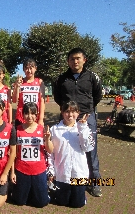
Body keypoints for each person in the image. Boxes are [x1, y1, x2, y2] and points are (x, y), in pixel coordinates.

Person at [53, 47, 103, 197]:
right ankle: (64, 179)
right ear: (68, 61)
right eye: (72, 59)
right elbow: (57, 97)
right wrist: (67, 111)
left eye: (78, 58)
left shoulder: (92, 77)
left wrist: (87, 109)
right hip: (67, 117)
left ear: (84, 60)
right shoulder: (61, 79)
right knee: (66, 148)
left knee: (90, 150)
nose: (75, 61)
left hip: (87, 117)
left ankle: (95, 183)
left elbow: (97, 95)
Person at [47, 101, 95, 208]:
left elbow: (88, 148)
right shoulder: (54, 129)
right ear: (62, 112)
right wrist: (51, 171)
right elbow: (50, 153)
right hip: (62, 173)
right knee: (61, 202)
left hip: (79, 173)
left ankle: (81, 196)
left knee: (77, 204)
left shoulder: (84, 128)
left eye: (73, 112)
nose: (70, 115)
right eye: (67, 111)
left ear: (78, 113)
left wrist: (82, 128)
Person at [11, 102, 53, 208]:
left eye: (33, 113)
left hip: (38, 170)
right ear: (22, 114)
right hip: (22, 169)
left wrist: (47, 139)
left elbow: (50, 150)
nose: (30, 116)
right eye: (27, 113)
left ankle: (39, 191)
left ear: (37, 114)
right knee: (19, 201)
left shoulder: (42, 129)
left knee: (42, 203)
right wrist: (12, 172)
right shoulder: (17, 130)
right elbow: (13, 153)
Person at [12, 58, 45, 128]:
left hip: (34, 116)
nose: (29, 71)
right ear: (23, 69)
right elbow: (14, 100)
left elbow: (42, 101)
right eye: (26, 68)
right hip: (21, 117)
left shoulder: (39, 82)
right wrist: (17, 86)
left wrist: (41, 118)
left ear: (35, 68)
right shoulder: (20, 82)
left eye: (31, 68)